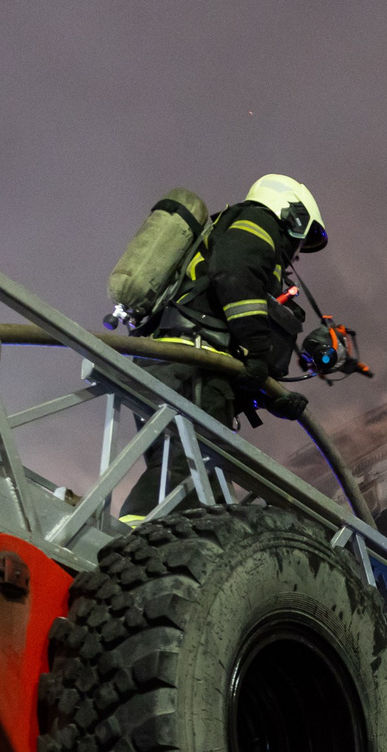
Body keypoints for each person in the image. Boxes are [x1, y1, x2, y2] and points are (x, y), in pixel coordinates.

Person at [117, 173, 328, 525]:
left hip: (178, 363)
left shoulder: (229, 228)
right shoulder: (258, 222)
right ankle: (133, 547)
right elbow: (233, 273)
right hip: (191, 365)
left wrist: (268, 395)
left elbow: (230, 334)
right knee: (189, 466)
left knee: (203, 481)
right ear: (293, 215)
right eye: (300, 239)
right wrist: (259, 352)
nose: (296, 255)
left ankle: (157, 554)